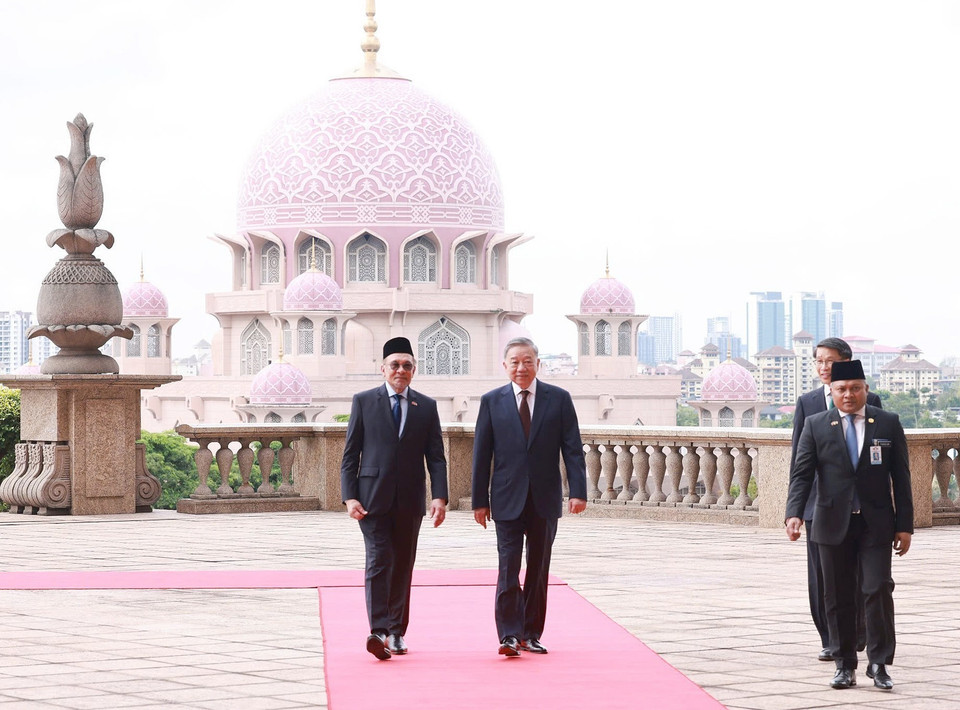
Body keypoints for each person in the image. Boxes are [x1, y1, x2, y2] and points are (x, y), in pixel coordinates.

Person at [785, 360, 913, 691]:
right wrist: (794, 513)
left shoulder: (887, 423)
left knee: (877, 589)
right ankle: (844, 665)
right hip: (830, 522)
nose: (848, 395)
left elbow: (901, 477)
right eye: (841, 389)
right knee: (837, 594)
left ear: (865, 390)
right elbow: (801, 474)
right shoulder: (816, 425)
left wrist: (905, 525)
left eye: (856, 388)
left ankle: (879, 663)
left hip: (876, 524)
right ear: (832, 391)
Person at [471, 337, 588, 657]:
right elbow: (482, 454)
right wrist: (479, 501)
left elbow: (572, 449)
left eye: (527, 361)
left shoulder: (559, 399)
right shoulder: (491, 401)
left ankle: (531, 633)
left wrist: (578, 491)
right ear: (505, 365)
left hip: (544, 498)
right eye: (514, 362)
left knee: (538, 569)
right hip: (506, 499)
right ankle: (509, 634)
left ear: (538, 364)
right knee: (508, 568)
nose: (521, 367)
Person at [340, 337, 448, 660]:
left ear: (414, 370)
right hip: (371, 499)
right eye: (395, 365)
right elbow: (350, 455)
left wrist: (439, 497)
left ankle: (397, 631)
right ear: (383, 368)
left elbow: (437, 457)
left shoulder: (426, 407)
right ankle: (379, 631)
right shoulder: (363, 401)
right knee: (377, 561)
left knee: (403, 564)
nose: (401, 371)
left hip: (410, 500)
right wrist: (349, 497)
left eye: (407, 366)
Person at [790, 337, 882, 662]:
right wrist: (796, 509)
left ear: (846, 362)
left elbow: (879, 457)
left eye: (829, 361)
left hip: (860, 507)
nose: (823, 367)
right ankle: (830, 638)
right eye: (818, 361)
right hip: (820, 506)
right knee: (822, 579)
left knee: (859, 575)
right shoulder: (808, 403)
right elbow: (798, 462)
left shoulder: (872, 401)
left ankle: (858, 634)